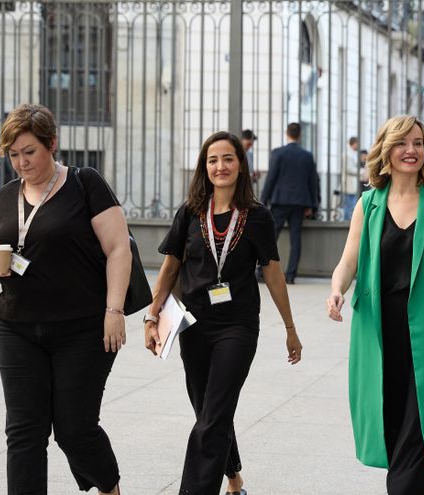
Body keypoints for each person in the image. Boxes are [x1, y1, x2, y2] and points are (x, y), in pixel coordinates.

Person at [325, 115, 424, 495]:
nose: (411, 150)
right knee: (393, 421)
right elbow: (348, 260)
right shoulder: (368, 204)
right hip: (380, 333)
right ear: (386, 150)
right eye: (401, 143)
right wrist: (337, 290)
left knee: (421, 425)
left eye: (417, 143)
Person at [0, 104, 128, 495]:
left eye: (29, 151)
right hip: (16, 327)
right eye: (13, 154)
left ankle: (108, 486)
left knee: (75, 429)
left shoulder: (85, 183)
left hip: (82, 328)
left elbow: (118, 250)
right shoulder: (5, 197)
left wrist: (114, 310)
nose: (21, 162)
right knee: (24, 432)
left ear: (52, 145)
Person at [144, 131, 303, 495]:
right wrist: (152, 317)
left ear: (241, 165)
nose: (221, 166)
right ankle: (234, 480)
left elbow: (274, 273)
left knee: (213, 414)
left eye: (228, 158)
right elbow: (170, 267)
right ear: (205, 167)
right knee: (209, 411)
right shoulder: (190, 212)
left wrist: (290, 329)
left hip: (238, 325)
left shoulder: (257, 216)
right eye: (213, 160)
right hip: (194, 324)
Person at [260, 122, 320, 284]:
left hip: (280, 201)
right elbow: (313, 181)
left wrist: (263, 200)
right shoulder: (307, 155)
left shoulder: (278, 153)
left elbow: (270, 178)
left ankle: (262, 272)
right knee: (296, 239)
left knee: (271, 237)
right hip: (300, 203)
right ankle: (291, 275)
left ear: (287, 133)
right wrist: (313, 205)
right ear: (299, 135)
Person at [340, 136, 361, 220]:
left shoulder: (351, 153)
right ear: (354, 143)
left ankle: (348, 221)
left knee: (351, 205)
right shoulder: (347, 154)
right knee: (349, 206)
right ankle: (346, 222)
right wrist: (360, 171)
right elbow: (349, 169)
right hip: (349, 183)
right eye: (357, 144)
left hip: (352, 183)